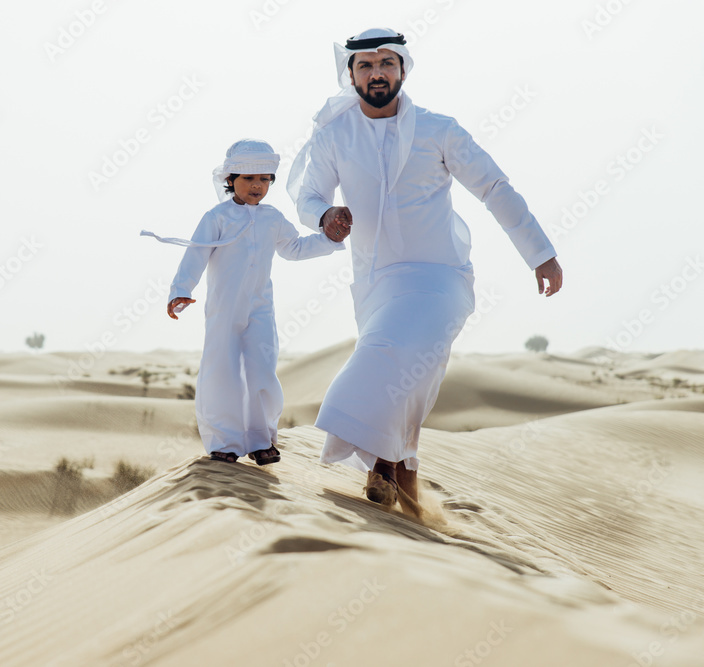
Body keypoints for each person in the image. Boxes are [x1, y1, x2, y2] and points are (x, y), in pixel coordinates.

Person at [288, 28, 563, 513]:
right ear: (349, 74)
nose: (377, 73)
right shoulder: (335, 136)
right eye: (366, 66)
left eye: (386, 64)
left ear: (403, 69)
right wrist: (324, 217)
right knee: (412, 379)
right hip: (375, 280)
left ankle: (382, 467)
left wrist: (539, 251)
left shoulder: (439, 129)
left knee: (384, 353)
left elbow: (494, 187)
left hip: (441, 276)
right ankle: (409, 494)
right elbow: (308, 196)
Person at [142, 139, 347, 464]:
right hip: (224, 311)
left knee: (261, 371)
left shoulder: (272, 218)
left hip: (260, 310)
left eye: (264, 179)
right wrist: (181, 290)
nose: (257, 185)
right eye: (249, 178)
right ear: (230, 179)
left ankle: (261, 440)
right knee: (222, 371)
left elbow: (293, 248)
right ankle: (224, 443)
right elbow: (196, 254)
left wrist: (328, 238)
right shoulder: (217, 216)